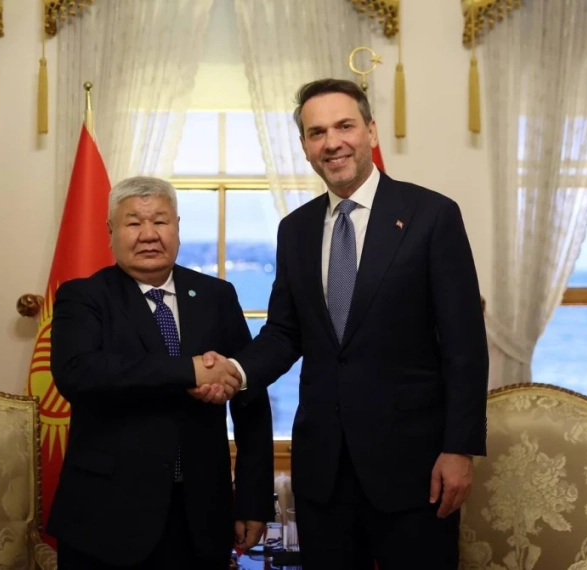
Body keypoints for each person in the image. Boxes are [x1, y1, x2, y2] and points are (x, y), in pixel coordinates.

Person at [207, 78, 489, 569]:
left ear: (371, 131)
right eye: (317, 132)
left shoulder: (431, 216)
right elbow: (285, 333)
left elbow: (464, 345)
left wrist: (459, 449)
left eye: (344, 126)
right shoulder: (295, 230)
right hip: (324, 472)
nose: (332, 142)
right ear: (304, 146)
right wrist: (236, 371)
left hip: (415, 469)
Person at [47, 176, 275, 570]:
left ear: (177, 227)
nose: (149, 234)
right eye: (134, 223)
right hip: (107, 516)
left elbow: (249, 399)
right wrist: (189, 371)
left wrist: (253, 501)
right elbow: (79, 373)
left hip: (201, 514)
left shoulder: (216, 296)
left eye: (160, 221)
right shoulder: (83, 296)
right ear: (111, 231)